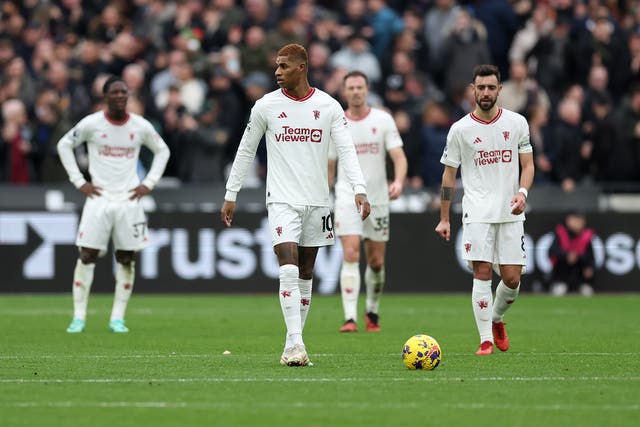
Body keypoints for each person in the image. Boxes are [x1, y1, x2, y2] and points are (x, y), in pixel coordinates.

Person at [220, 44, 370, 366]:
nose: (277, 72)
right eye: (276, 66)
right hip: (281, 199)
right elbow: (247, 150)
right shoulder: (266, 106)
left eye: (284, 66)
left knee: (305, 272)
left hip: (317, 201)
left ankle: (295, 342)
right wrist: (232, 192)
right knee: (286, 265)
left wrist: (359, 188)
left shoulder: (328, 106)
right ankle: (295, 343)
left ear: (301, 68)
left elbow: (346, 150)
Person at [57, 76, 170, 334]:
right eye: (115, 93)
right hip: (99, 198)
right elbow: (64, 144)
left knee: (126, 257)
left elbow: (163, 150)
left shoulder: (140, 126)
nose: (120, 96)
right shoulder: (92, 124)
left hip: (129, 200)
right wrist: (78, 181)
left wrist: (148, 183)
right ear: (105, 96)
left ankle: (117, 318)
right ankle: (79, 317)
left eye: (124, 93)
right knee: (87, 254)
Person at [435, 64, 535, 356]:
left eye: (491, 87)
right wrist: (443, 218)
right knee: (481, 271)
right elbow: (448, 176)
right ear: (473, 90)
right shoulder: (460, 130)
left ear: (500, 90)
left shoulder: (517, 123)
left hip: (511, 211)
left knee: (513, 279)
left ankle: (496, 319)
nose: (486, 93)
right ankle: (484, 340)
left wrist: (522, 192)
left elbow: (527, 165)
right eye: (481, 87)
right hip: (477, 211)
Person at [328, 70, 407, 332]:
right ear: (344, 91)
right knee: (350, 252)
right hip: (346, 197)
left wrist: (398, 180)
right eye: (350, 88)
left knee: (376, 262)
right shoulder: (336, 123)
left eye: (360, 87)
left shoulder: (383, 120)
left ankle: (371, 311)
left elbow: (398, 156)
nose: (356, 92)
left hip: (378, 198)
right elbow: (330, 165)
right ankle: (349, 318)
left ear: (367, 89)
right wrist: (324, 193)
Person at [548, 211, 596, 297]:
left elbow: (591, 258)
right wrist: (567, 255)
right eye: (575, 221)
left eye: (580, 221)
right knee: (559, 292)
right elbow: (552, 251)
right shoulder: (560, 234)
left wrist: (589, 267)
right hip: (561, 277)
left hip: (580, 279)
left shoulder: (586, 237)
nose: (578, 224)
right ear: (568, 221)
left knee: (587, 293)